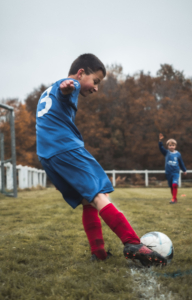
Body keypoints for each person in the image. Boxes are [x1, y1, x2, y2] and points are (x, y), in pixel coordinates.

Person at [36, 53, 167, 266]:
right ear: (80, 73)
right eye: (95, 81)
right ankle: (132, 242)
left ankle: (98, 253)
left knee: (87, 200)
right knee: (98, 192)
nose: (96, 87)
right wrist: (69, 86)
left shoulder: (46, 92)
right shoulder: (69, 85)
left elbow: (60, 95)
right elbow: (68, 88)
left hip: (47, 155)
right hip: (65, 148)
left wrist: (65, 88)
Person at [159, 133, 187, 204]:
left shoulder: (178, 154)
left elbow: (181, 163)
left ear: (175, 146)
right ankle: (174, 198)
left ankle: (173, 199)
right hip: (168, 172)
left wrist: (184, 170)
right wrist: (160, 141)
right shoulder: (166, 153)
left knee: (175, 184)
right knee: (171, 186)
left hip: (175, 172)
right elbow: (161, 148)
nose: (171, 147)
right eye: (170, 145)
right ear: (168, 146)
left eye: (173, 145)